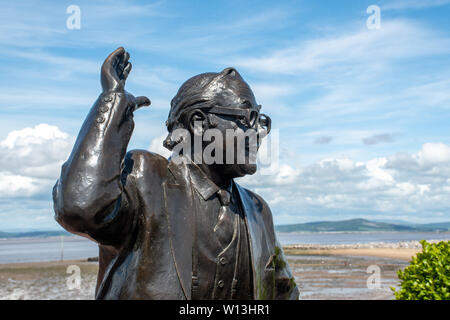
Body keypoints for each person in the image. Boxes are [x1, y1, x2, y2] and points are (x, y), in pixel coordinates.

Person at [53, 47, 299, 300]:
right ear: (199, 123)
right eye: (249, 118)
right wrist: (113, 102)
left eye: (262, 121)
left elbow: (283, 291)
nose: (258, 132)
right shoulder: (144, 176)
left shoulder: (258, 210)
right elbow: (80, 208)